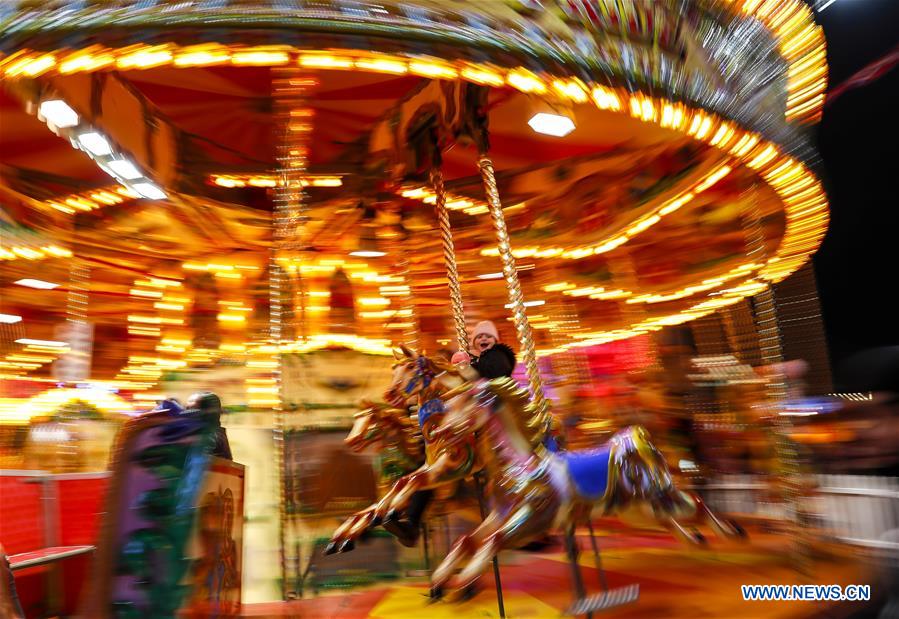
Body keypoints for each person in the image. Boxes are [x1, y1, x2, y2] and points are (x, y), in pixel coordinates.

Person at [451, 320, 516, 379]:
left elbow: (490, 373)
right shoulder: (482, 359)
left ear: (495, 341)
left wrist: (469, 370)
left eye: (489, 336)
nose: (484, 339)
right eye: (479, 337)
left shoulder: (497, 355)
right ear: (474, 343)